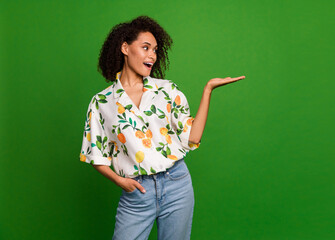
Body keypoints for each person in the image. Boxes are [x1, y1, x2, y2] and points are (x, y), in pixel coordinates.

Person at [79, 15, 246, 240]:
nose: (152, 55)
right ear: (125, 48)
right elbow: (95, 154)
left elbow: (192, 137)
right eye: (145, 47)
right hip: (137, 191)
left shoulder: (167, 90)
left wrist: (207, 91)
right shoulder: (102, 102)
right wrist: (120, 181)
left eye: (155, 50)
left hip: (177, 184)